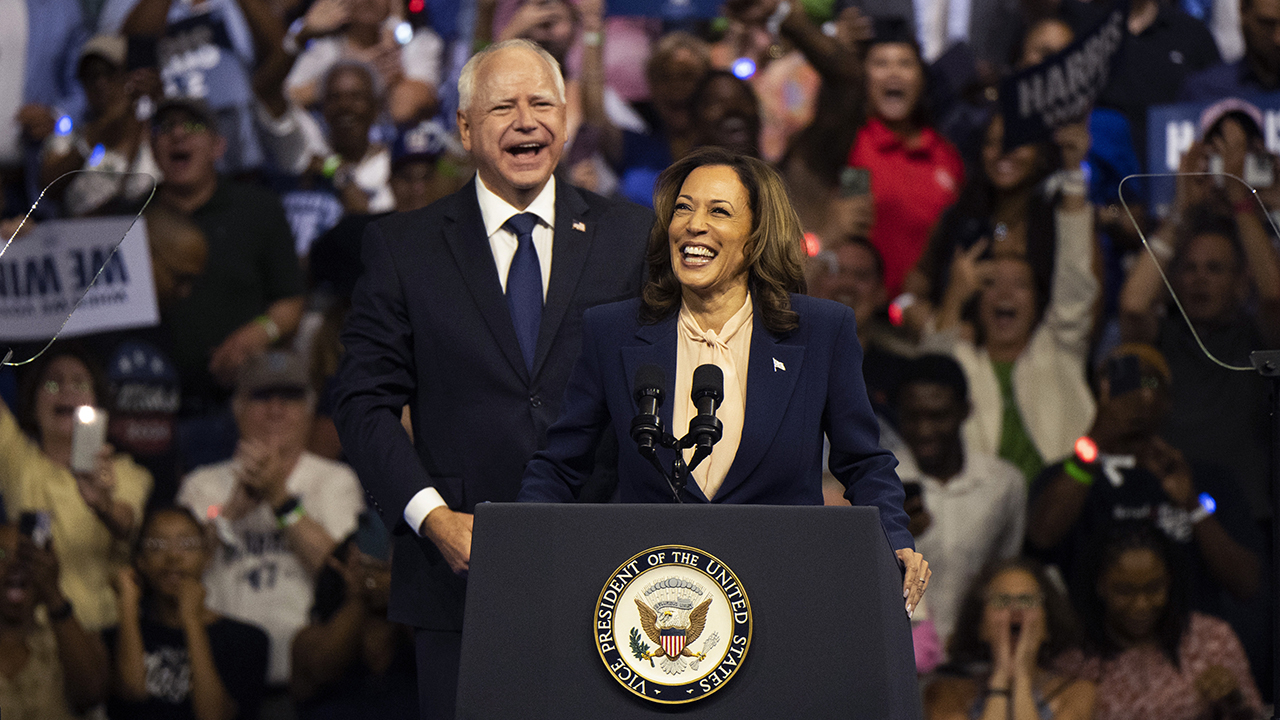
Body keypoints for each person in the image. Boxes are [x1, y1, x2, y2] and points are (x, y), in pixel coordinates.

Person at [330, 38, 652, 720]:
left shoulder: (631, 236)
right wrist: (432, 519)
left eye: (542, 103)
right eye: (503, 106)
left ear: (566, 120)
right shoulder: (403, 247)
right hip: (459, 578)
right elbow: (362, 403)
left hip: (612, 571)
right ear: (466, 129)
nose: (526, 121)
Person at [518, 145, 929, 610]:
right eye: (683, 209)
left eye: (719, 211)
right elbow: (561, 463)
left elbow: (864, 463)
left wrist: (897, 538)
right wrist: (521, 544)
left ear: (755, 237)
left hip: (780, 594)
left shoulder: (820, 332)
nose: (694, 225)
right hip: (654, 601)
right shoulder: (612, 331)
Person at [176, 351, 364, 709]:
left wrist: (280, 500)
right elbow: (175, 573)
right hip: (218, 682)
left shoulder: (336, 481)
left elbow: (344, 578)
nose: (276, 409)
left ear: (309, 410)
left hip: (307, 680)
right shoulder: (203, 485)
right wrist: (228, 514)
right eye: (262, 397)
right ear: (237, 408)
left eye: (290, 398)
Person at [148, 96, 306, 469]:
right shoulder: (130, 215)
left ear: (219, 146)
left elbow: (290, 302)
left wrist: (257, 333)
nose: (177, 136)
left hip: (234, 408)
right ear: (151, 147)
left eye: (193, 127)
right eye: (165, 128)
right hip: (148, 411)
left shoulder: (258, 210)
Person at [0, 346, 153, 630]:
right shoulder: (15, 458)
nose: (65, 391)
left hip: (104, 632)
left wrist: (104, 505)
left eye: (80, 383)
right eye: (52, 382)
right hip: (33, 635)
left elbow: (125, 524)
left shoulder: (127, 472)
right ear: (34, 403)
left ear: (98, 405)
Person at [894, 354, 1026, 651]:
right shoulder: (879, 484)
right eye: (913, 416)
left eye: (937, 416)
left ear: (964, 411)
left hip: (975, 653)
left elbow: (1005, 573)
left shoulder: (1003, 484)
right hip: (899, 653)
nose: (924, 430)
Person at [1062, 525, 1263, 720]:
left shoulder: (1211, 638)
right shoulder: (1073, 655)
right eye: (1124, 591)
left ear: (1169, 582)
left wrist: (1233, 699)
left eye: (1154, 588)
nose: (1141, 605)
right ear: (1100, 586)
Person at [106, 506, 269, 720]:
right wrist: (127, 604)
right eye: (156, 546)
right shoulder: (120, 636)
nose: (173, 556)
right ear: (140, 561)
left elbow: (213, 716)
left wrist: (191, 620)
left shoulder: (246, 640)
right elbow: (133, 691)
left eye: (187, 544)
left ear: (207, 556)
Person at [847, 19, 964, 298]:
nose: (893, 73)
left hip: (924, 312)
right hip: (860, 308)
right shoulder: (854, 146)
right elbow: (851, 229)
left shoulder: (946, 157)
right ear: (864, 76)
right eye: (881, 63)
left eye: (905, 63)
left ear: (921, 79)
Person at [925, 558, 1095, 720]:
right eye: (1001, 600)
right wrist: (1000, 679)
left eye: (1027, 600)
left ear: (1048, 623)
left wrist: (1022, 680)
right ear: (980, 624)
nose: (1015, 609)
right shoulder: (948, 692)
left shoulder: (1078, 692)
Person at [290, 512, 415, 719]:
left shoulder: (410, 637)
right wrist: (358, 595)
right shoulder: (308, 640)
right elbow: (323, 668)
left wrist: (402, 593)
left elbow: (441, 669)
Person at [0, 520, 111, 720]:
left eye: (26, 557)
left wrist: (54, 594)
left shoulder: (66, 640)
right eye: (1, 555)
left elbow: (91, 695)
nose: (14, 565)